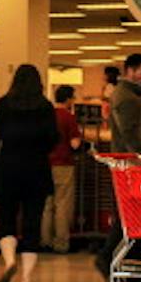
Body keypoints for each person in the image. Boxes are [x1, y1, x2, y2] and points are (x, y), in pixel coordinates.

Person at [0, 65, 60, 282]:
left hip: (8, 167)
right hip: (36, 169)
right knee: (32, 223)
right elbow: (53, 139)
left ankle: (9, 262)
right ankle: (26, 278)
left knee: (6, 218)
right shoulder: (45, 106)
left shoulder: (4, 104)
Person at [94, 53, 141, 278]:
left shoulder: (126, 95)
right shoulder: (128, 98)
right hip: (131, 165)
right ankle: (109, 255)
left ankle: (127, 258)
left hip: (126, 164)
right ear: (130, 70)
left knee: (129, 213)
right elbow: (132, 134)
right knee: (130, 213)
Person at [42, 84, 85, 253]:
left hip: (45, 164)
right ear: (68, 99)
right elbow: (75, 144)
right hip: (63, 164)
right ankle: (60, 243)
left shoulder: (46, 115)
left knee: (46, 205)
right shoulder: (68, 117)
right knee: (62, 204)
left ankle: (45, 240)